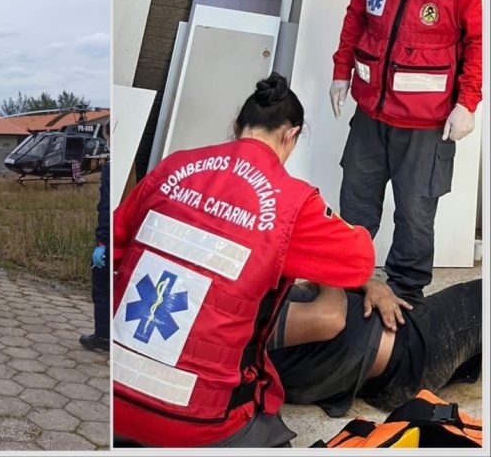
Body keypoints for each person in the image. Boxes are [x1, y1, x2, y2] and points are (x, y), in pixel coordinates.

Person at [112, 73, 378, 448]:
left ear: (237, 125)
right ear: (291, 137)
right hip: (203, 423)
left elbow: (115, 247)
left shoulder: (172, 167)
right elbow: (359, 262)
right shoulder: (291, 201)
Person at [329, 0, 482, 299]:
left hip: (425, 123)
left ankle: (406, 295)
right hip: (370, 113)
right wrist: (342, 71)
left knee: (414, 213)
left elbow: (478, 40)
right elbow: (357, 16)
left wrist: (467, 102)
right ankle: (348, 284)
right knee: (356, 200)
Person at [268, 278, 481, 415]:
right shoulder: (244, 318)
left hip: (385, 365)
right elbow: (330, 318)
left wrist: (368, 283)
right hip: (409, 347)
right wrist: (328, 274)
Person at [80, 123, 110, 352]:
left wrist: (101, 242)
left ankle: (102, 336)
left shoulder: (111, 168)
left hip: (108, 237)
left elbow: (106, 208)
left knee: (101, 286)